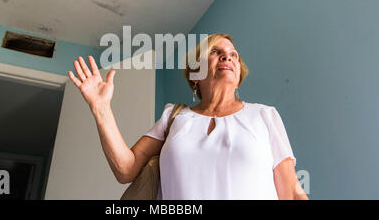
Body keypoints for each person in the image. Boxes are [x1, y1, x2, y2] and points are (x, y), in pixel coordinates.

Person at [68, 33, 309, 200]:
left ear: (239, 73)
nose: (227, 57)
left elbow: (291, 191)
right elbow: (126, 169)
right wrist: (101, 108)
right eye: (216, 52)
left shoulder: (264, 116)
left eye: (233, 54)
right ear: (195, 74)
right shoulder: (174, 117)